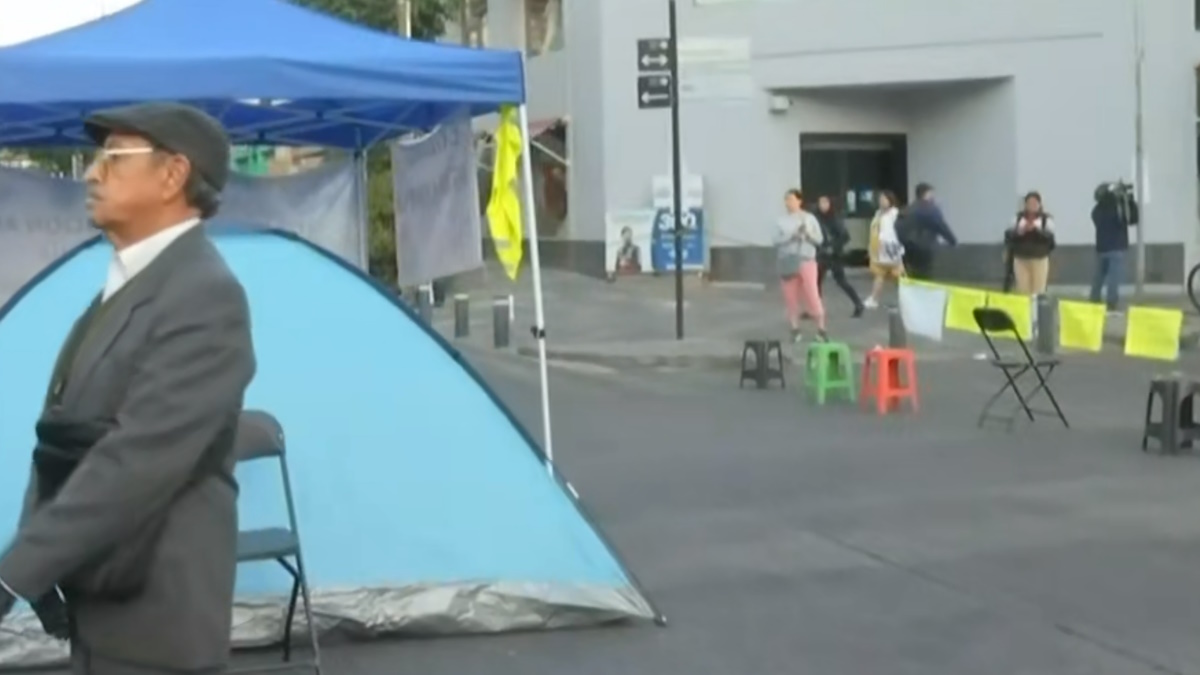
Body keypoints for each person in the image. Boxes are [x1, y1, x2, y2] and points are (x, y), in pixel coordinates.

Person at [0, 102, 257, 674]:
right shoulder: (128, 286)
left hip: (158, 628)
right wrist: (38, 554)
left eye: (114, 158)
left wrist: (13, 572)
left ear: (172, 176)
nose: (92, 173)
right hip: (101, 607)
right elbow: (63, 434)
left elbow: (134, 460)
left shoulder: (205, 296)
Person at [774, 189, 827, 342]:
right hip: (788, 260)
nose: (788, 203)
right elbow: (775, 240)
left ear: (799, 201)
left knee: (812, 294)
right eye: (786, 200)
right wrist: (792, 236)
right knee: (790, 297)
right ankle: (795, 329)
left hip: (807, 260)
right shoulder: (781, 221)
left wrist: (807, 235)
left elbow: (819, 240)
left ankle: (821, 329)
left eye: (791, 199)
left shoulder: (809, 218)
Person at [1090, 182, 1138, 313]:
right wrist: (1129, 201)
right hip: (1117, 246)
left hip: (1101, 247)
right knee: (1114, 277)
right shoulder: (1118, 207)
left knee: (1099, 275)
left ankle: (1094, 299)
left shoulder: (1097, 210)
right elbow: (1132, 219)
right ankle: (1111, 302)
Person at [813, 195, 865, 318]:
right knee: (815, 282)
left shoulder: (835, 218)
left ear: (830, 204)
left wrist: (833, 247)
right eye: (821, 203)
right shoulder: (816, 218)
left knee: (841, 281)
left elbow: (845, 237)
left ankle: (858, 303)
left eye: (825, 203)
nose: (823, 205)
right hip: (821, 254)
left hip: (834, 256)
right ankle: (816, 307)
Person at [898, 182, 957, 279]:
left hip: (909, 249)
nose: (933, 196)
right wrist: (952, 241)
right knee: (927, 276)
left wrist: (904, 242)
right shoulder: (931, 208)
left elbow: (898, 228)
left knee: (913, 275)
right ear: (926, 194)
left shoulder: (906, 209)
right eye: (931, 193)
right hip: (926, 248)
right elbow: (941, 226)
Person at [1005, 191, 1056, 295]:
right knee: (1022, 289)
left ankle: (1036, 310)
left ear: (1039, 204)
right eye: (1029, 203)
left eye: (1035, 203)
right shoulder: (1018, 219)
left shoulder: (1045, 220)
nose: (1032, 206)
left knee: (1038, 290)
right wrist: (1020, 231)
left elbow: (1050, 239)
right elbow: (1009, 236)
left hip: (1039, 259)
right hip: (1020, 258)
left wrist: (1037, 230)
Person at [864, 190, 904, 310]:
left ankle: (903, 300)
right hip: (878, 249)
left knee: (898, 277)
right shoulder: (878, 214)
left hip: (892, 249)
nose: (881, 201)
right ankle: (874, 298)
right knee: (879, 275)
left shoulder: (895, 214)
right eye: (880, 199)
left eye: (884, 199)